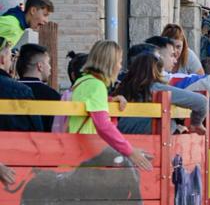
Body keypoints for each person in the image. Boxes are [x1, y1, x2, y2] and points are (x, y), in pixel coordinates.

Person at [67, 40, 152, 170]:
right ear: (110, 64)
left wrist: (109, 101)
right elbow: (103, 125)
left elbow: (89, 106)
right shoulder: (97, 86)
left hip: (79, 153)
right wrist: (130, 151)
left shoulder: (82, 82)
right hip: (88, 157)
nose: (120, 67)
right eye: (118, 62)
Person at [0, 38, 43, 132]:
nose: (11, 62)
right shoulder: (20, 90)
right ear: (2, 59)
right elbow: (36, 129)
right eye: (10, 57)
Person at [15, 43, 61, 132]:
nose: (50, 67)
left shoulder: (8, 91)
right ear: (40, 66)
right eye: (48, 62)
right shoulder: (52, 96)